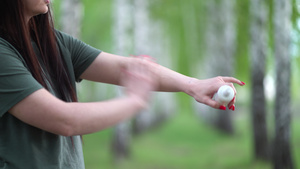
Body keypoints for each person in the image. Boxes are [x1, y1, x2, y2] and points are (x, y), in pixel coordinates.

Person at [0, 0, 245, 168]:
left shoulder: (52, 42)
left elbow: (127, 68)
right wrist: (134, 100)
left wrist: (194, 85)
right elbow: (65, 120)